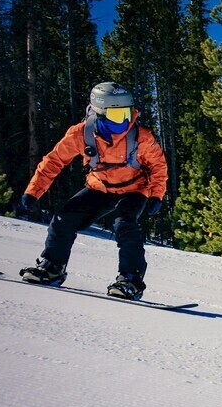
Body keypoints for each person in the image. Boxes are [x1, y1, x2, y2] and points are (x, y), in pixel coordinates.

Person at [18, 82, 168, 300]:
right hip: (99, 187)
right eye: (117, 116)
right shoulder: (81, 134)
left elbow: (158, 166)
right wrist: (34, 191)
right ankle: (52, 268)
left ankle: (130, 280)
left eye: (127, 114)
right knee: (64, 218)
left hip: (133, 189)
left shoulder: (140, 137)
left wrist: (156, 194)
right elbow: (54, 161)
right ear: (99, 112)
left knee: (124, 224)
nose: (125, 121)